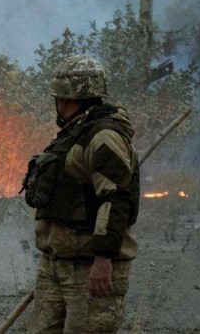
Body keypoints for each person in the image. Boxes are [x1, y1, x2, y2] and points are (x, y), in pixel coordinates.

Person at [22, 55, 140, 334]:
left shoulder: (103, 137)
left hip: (89, 268)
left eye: (62, 98)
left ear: (68, 99)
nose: (59, 104)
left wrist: (103, 259)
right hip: (57, 262)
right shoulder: (73, 133)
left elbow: (116, 198)